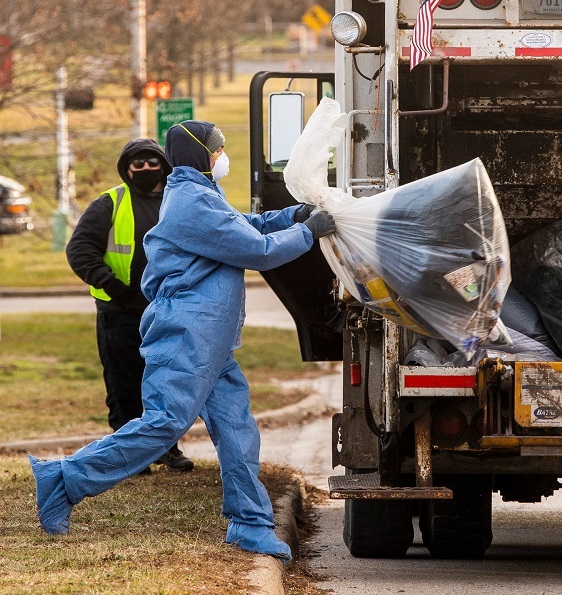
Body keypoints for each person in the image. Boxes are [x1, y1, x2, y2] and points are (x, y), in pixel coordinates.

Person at [29, 120, 336, 561]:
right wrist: (309, 232)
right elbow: (257, 250)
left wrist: (292, 216)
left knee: (236, 430)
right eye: (217, 149)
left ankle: (249, 524)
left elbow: (244, 225)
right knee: (164, 424)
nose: (222, 155)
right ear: (198, 154)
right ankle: (64, 480)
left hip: (212, 336)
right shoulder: (190, 201)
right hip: (187, 332)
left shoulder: (200, 192)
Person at [65, 138, 193, 473]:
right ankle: (130, 458)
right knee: (124, 387)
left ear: (164, 165)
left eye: (153, 163)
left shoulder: (178, 200)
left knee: (166, 383)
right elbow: (79, 250)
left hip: (168, 310)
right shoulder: (110, 202)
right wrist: (115, 288)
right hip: (120, 314)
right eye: (138, 164)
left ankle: (168, 449)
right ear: (127, 169)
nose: (147, 169)